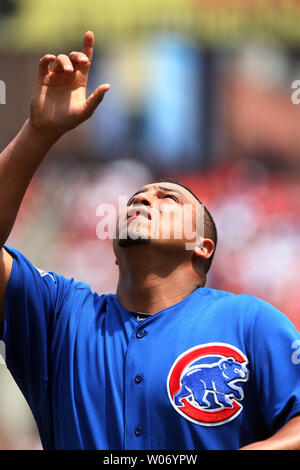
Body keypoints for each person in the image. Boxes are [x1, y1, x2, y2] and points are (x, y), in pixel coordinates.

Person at [0, 31, 300, 451]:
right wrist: (38, 132)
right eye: (137, 197)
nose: (144, 198)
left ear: (202, 246)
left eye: (169, 198)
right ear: (114, 253)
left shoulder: (250, 322)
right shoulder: (61, 317)